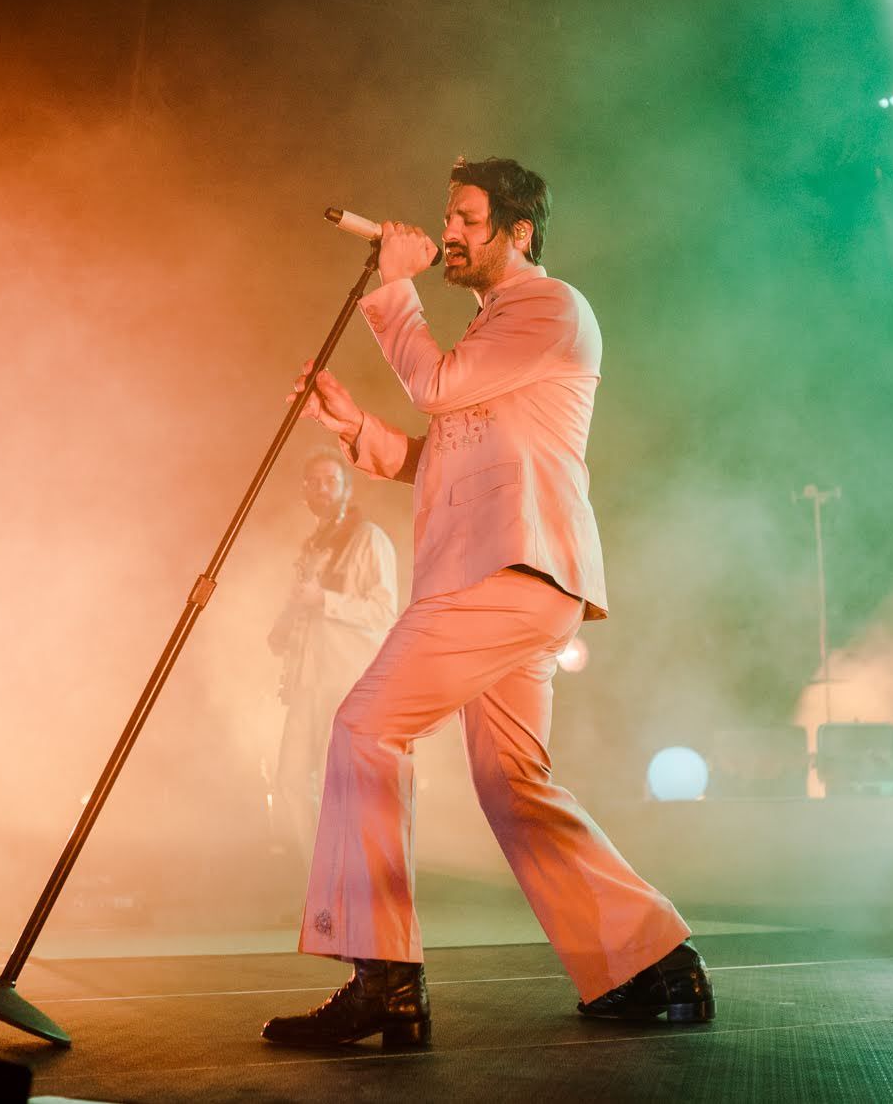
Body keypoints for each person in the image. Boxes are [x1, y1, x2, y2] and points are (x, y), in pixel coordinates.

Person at [261, 156, 710, 1049]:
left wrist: (393, 288)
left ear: (519, 231)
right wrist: (353, 428)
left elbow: (435, 385)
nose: (449, 233)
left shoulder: (549, 308)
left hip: (509, 572)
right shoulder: (494, 333)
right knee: (513, 784)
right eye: (448, 217)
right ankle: (654, 961)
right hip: (509, 578)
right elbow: (444, 454)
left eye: (467, 218)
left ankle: (385, 978)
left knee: (364, 727)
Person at [266, 451, 398, 859]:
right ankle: (317, 872)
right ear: (305, 491)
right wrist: (285, 630)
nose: (322, 489)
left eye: (330, 481)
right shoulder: (312, 546)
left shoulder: (369, 538)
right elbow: (306, 608)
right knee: (290, 778)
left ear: (346, 489)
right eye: (314, 482)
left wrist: (324, 599)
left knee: (336, 781)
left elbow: (384, 612)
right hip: (308, 679)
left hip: (347, 679)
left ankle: (346, 873)